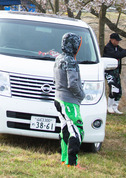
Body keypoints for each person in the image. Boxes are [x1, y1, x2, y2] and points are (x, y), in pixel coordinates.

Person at [54, 32, 85, 169]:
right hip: (69, 100)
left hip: (59, 98)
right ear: (74, 45)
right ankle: (72, 162)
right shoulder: (70, 60)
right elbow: (72, 83)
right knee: (77, 129)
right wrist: (81, 95)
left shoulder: (58, 58)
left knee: (66, 128)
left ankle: (64, 159)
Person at [103, 33, 126, 114]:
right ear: (112, 40)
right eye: (117, 40)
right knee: (113, 88)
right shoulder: (108, 48)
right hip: (109, 72)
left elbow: (122, 51)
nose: (118, 42)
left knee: (119, 90)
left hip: (116, 72)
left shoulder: (116, 47)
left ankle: (115, 107)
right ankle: (109, 107)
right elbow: (118, 55)